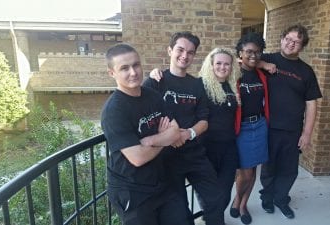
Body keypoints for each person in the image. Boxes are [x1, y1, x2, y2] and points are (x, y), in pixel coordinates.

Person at [100, 43, 190, 225]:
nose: (133, 72)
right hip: (132, 190)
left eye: (136, 65)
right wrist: (164, 138)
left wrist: (150, 140)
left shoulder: (153, 96)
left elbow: (175, 132)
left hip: (162, 182)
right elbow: (138, 157)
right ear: (112, 73)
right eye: (124, 68)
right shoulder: (114, 110)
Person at [143, 32, 224, 225]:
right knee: (179, 210)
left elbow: (204, 121)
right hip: (166, 158)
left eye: (190, 52)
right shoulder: (155, 82)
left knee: (216, 198)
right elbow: (145, 116)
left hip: (194, 154)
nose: (184, 55)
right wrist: (170, 136)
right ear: (170, 50)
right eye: (180, 50)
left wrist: (187, 134)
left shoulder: (198, 84)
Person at [258, 24, 323, 219]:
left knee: (288, 169)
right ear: (282, 38)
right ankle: (267, 197)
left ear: (302, 47)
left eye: (296, 42)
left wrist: (307, 133)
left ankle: (281, 198)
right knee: (268, 167)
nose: (291, 44)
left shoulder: (306, 72)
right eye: (288, 39)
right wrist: (262, 65)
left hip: (292, 130)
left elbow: (311, 104)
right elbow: (243, 59)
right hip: (268, 126)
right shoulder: (268, 58)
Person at [230, 32, 270, 225]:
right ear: (240, 53)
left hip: (260, 125)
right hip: (243, 127)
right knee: (244, 172)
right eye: (248, 52)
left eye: (257, 52)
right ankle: (237, 198)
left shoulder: (261, 74)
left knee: (253, 171)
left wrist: (263, 64)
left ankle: (243, 203)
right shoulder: (233, 73)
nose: (253, 55)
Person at [197, 48, 241, 220]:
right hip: (206, 147)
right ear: (211, 65)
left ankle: (210, 218)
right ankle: (213, 220)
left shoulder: (231, 85)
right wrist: (157, 74)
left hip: (229, 146)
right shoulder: (200, 85)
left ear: (231, 67)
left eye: (227, 64)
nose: (223, 67)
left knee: (225, 190)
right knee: (209, 192)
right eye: (218, 63)